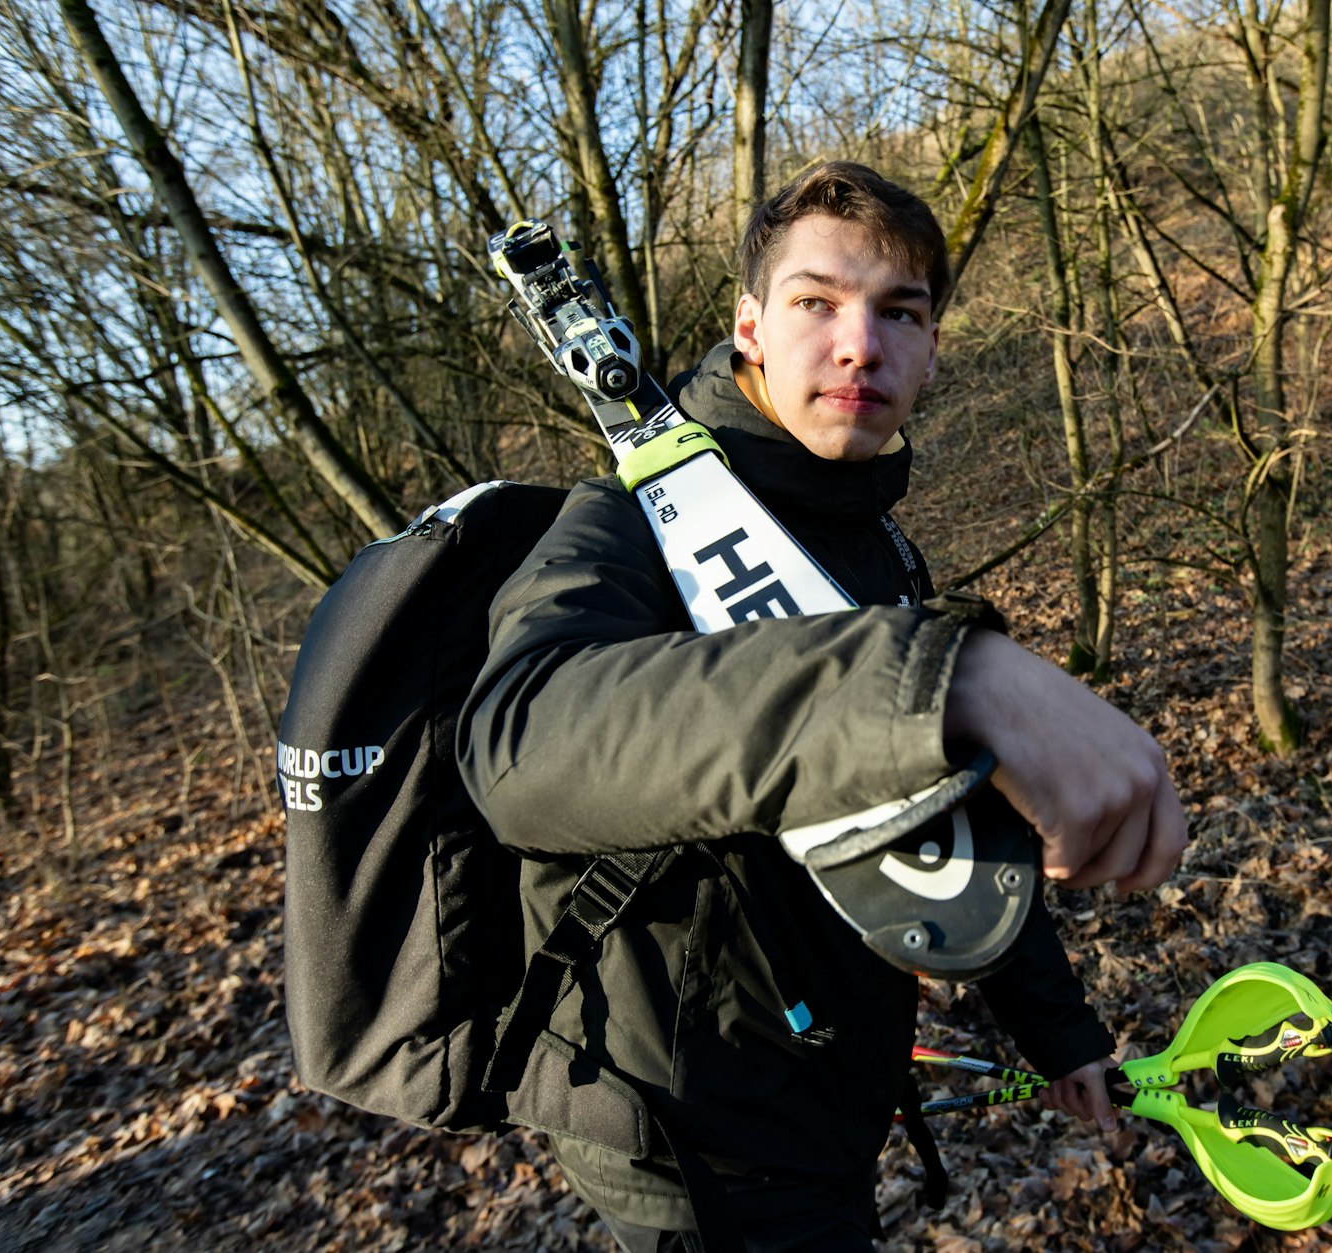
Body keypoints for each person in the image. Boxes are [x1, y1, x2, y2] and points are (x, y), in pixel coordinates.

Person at [459, 161, 1187, 1251]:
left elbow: (937, 812)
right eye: (815, 302)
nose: (860, 344)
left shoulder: (874, 543)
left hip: (831, 1089)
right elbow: (516, 744)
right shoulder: (624, 527)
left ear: (933, 350)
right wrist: (943, 674)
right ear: (748, 326)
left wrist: (1059, 1032)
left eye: (900, 312)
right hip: (694, 1131)